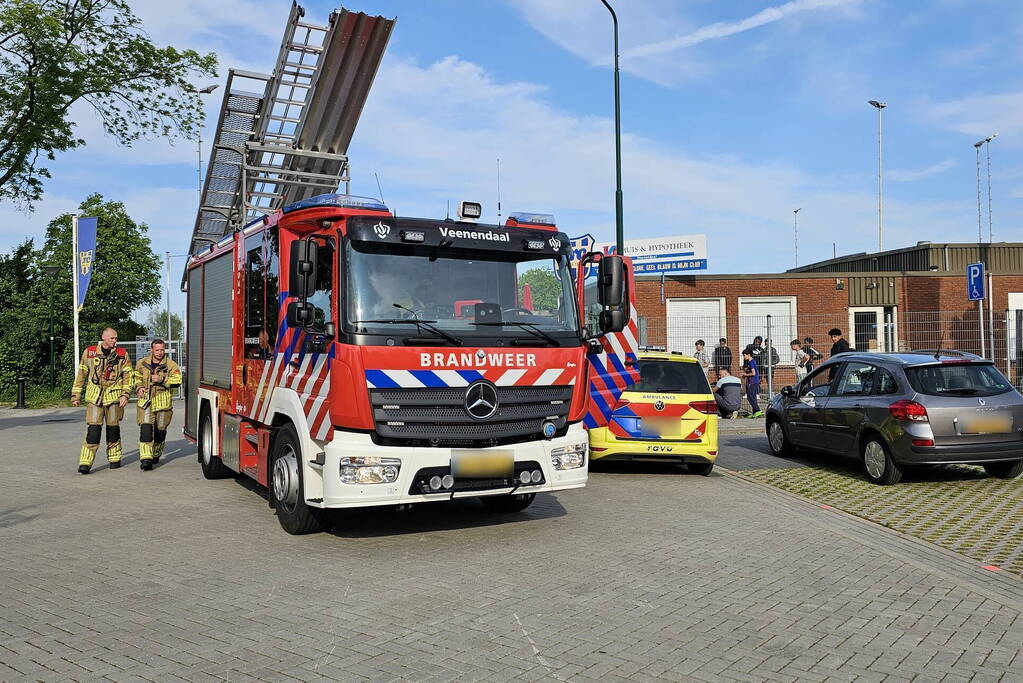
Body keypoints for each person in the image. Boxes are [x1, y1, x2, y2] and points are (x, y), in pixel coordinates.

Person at [71, 327, 134, 474]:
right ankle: (85, 463)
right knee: (93, 430)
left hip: (113, 397)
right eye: (112, 338)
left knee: (113, 429)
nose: (115, 341)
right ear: (104, 337)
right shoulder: (90, 352)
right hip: (95, 397)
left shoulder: (122, 354)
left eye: (116, 338)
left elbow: (128, 376)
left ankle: (114, 458)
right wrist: (76, 395)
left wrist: (125, 394)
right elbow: (81, 374)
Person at [135, 339, 182, 471]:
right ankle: (146, 459)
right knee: (146, 430)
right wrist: (139, 387)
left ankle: (155, 454)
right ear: (152, 349)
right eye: (157, 350)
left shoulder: (171, 365)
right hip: (146, 402)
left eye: (162, 350)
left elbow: (178, 381)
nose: (160, 352)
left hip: (163, 404)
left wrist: (162, 379)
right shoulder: (142, 363)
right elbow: (135, 377)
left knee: (160, 431)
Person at [740, 349, 762, 418]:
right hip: (752, 382)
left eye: (744, 355)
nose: (744, 357)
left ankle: (758, 410)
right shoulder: (750, 362)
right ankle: (755, 413)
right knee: (753, 397)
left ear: (748, 355)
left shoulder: (751, 362)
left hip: (753, 382)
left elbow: (753, 373)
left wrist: (745, 375)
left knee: (750, 397)